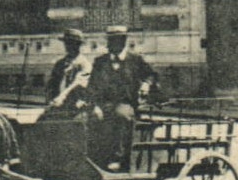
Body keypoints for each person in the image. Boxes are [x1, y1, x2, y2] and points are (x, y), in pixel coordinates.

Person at [86, 26, 159, 169]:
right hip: (103, 104)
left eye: (113, 41)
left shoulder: (135, 60)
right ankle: (94, 158)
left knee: (120, 115)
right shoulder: (100, 62)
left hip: (126, 104)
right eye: (109, 40)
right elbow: (92, 86)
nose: (109, 44)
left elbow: (151, 75)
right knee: (90, 118)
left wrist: (146, 84)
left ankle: (117, 158)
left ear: (122, 41)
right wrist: (94, 106)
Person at [43, 29, 92, 113]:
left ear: (78, 45)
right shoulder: (60, 64)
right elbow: (51, 84)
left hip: (75, 107)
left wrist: (61, 98)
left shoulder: (84, 64)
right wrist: (50, 99)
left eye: (71, 43)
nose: (68, 46)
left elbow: (77, 84)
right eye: (66, 43)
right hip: (57, 107)